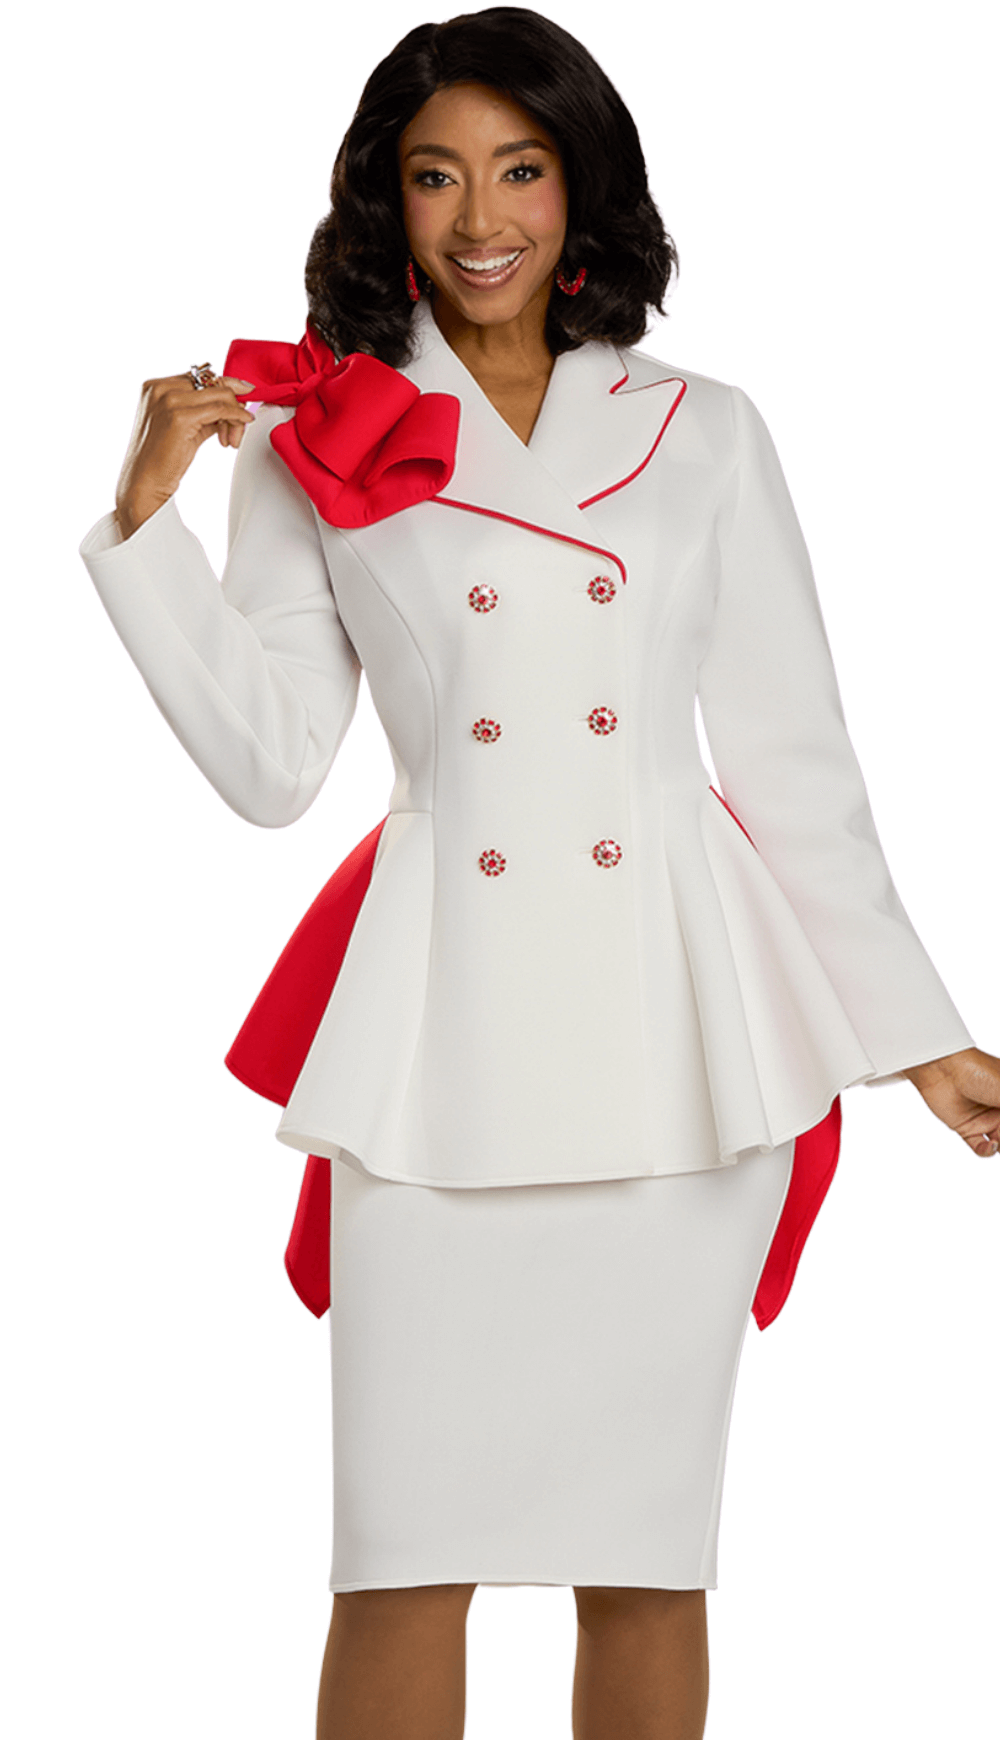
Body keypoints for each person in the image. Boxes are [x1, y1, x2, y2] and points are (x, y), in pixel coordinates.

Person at [78, 9, 999, 1739]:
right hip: (442, 1055)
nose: (480, 216)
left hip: (673, 1045)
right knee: (398, 1562)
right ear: (386, 200)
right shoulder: (319, 434)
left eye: (521, 169)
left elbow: (793, 762)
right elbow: (275, 766)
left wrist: (915, 1031)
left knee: (646, 1564)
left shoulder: (704, 428)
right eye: (436, 177)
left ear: (583, 192)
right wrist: (146, 529)